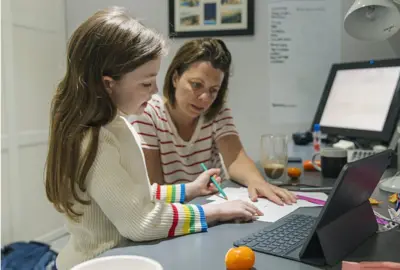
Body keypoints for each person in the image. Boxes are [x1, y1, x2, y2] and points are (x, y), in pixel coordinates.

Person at [44, 7, 261, 270]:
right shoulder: (95, 138)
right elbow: (140, 220)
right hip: (99, 262)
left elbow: (133, 195)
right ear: (109, 84)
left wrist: (188, 190)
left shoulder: (114, 124)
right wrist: (212, 213)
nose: (156, 90)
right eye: (146, 83)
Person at [129, 38, 297, 206]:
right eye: (196, 85)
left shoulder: (217, 111)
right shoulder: (148, 113)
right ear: (175, 78)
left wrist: (258, 182)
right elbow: (154, 189)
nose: (204, 98)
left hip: (216, 202)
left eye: (213, 90)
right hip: (178, 210)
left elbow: (236, 159)